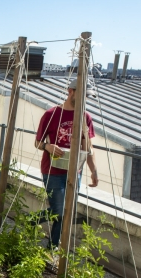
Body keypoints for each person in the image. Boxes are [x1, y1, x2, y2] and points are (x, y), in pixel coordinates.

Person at [34, 79, 99, 248]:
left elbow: (88, 148)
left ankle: (54, 247)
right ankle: (30, 222)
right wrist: (48, 146)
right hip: (52, 170)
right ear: (71, 91)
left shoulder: (85, 117)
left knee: (66, 211)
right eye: (82, 95)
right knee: (59, 210)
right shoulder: (51, 114)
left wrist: (94, 171)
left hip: (74, 171)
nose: (85, 100)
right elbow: (38, 142)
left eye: (87, 97)